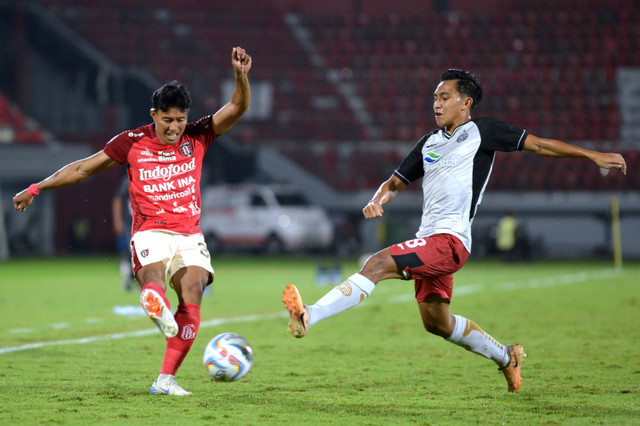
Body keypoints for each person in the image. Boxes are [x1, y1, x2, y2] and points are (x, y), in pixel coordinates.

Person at [282, 69, 627, 393]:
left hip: (450, 241)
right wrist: (378, 200)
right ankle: (508, 356)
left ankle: (309, 315)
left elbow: (538, 145)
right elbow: (395, 182)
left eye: (445, 96)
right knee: (437, 323)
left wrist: (591, 155)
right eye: (435, 96)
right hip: (430, 238)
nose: (436, 103)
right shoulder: (428, 143)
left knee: (376, 263)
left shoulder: (483, 132)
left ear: (466, 103)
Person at [13, 47, 252, 396]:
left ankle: (165, 379)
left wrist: (241, 77)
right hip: (150, 231)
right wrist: (36, 187)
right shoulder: (131, 142)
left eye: (180, 119)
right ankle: (154, 301)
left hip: (189, 233)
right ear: (154, 114)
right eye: (167, 120)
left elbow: (237, 107)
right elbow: (82, 168)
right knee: (152, 275)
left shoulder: (198, 135)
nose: (174, 127)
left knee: (195, 287)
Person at [112, 174, 135, 291]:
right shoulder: (129, 180)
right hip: (130, 221)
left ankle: (133, 278)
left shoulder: (153, 177)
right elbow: (118, 199)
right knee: (132, 249)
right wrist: (117, 220)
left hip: (147, 220)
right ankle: (133, 278)